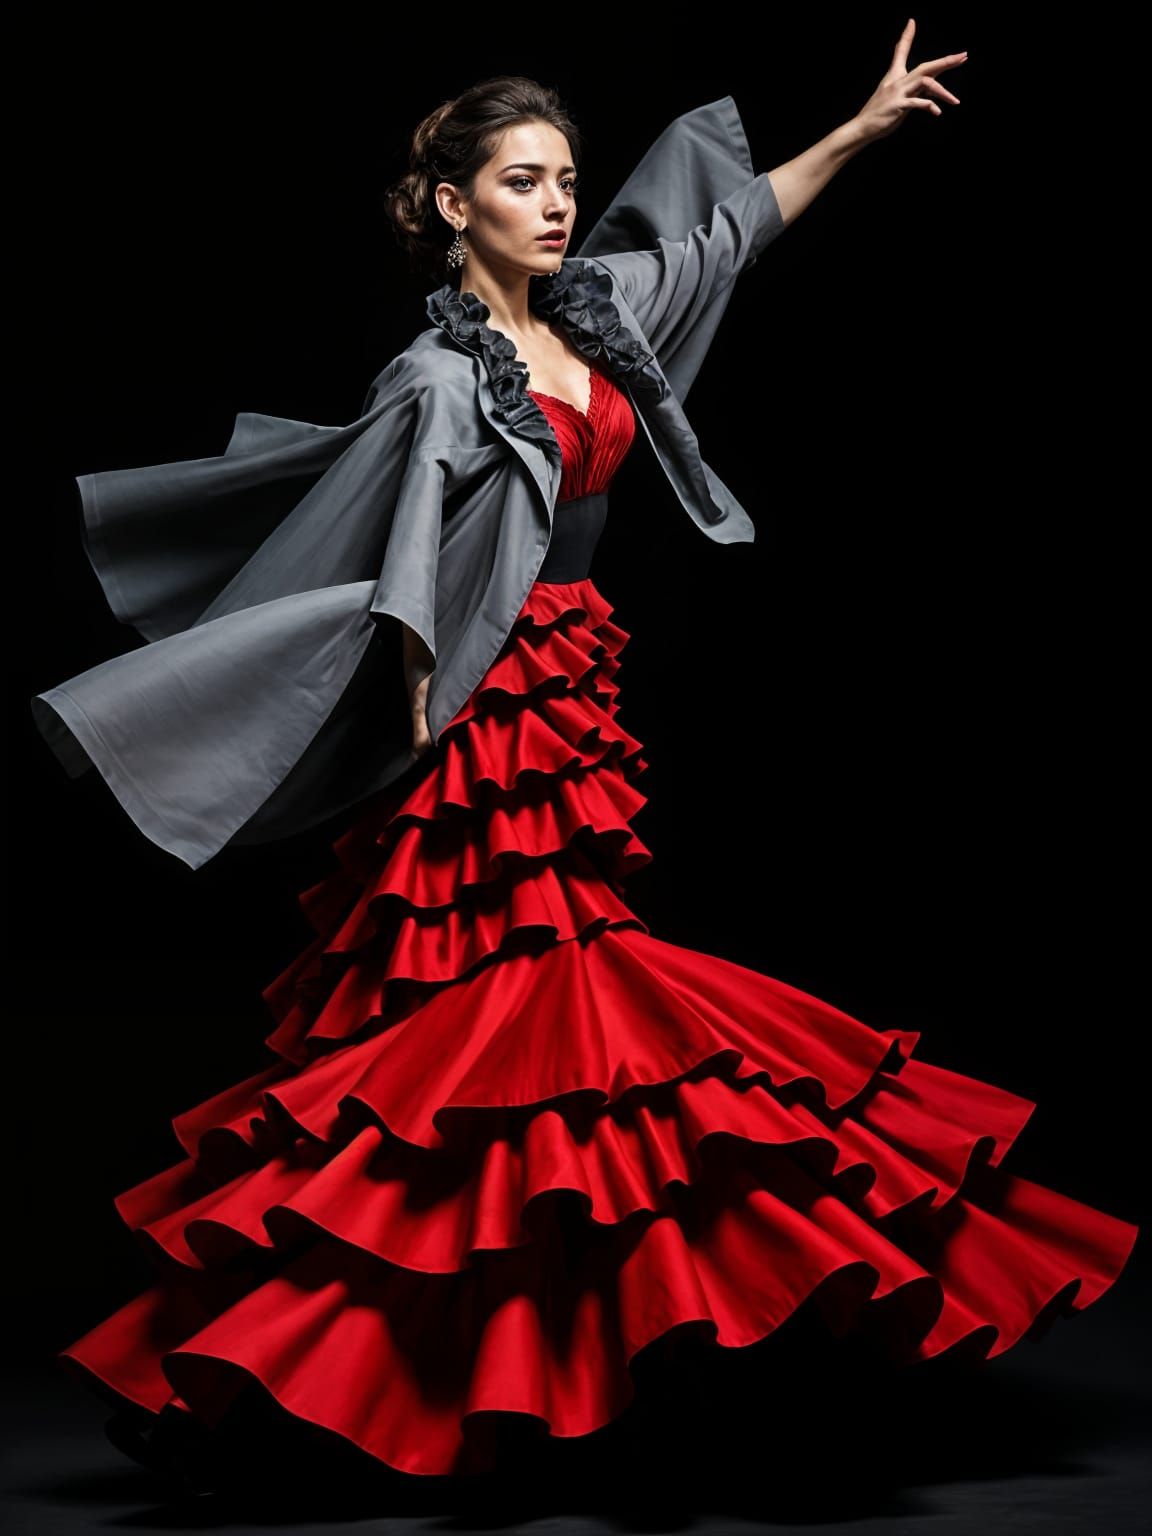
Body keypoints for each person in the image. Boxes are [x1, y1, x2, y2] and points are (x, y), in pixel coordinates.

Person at [34, 28, 1140, 1502]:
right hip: (483, 725)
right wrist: (419, 714)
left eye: (566, 180)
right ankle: (314, 1370)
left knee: (543, 1057)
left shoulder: (605, 310)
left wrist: (864, 130)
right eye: (522, 182)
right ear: (451, 204)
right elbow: (401, 551)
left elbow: (729, 231)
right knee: (490, 1050)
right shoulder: (433, 375)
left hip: (574, 693)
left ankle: (552, 1368)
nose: (558, 206)